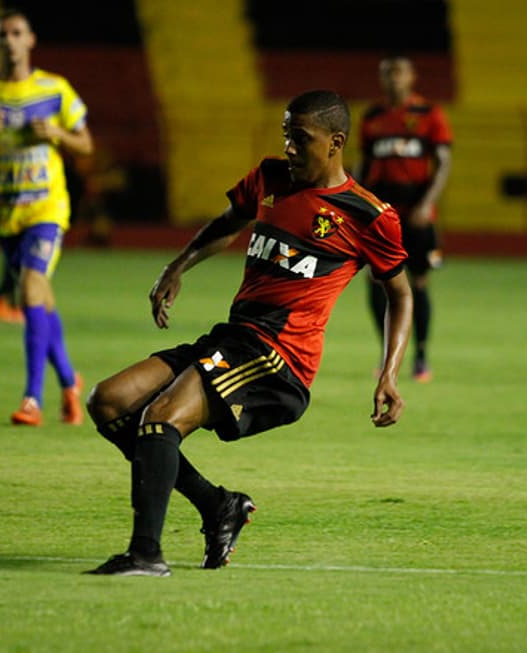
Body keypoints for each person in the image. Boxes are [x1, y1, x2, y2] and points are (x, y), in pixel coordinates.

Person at [85, 90, 413, 577]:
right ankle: (219, 506)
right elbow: (228, 222)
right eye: (286, 136)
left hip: (280, 359)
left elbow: (401, 294)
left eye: (301, 138)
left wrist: (389, 373)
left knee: (161, 417)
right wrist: (179, 266)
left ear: (335, 142)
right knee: (108, 401)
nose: (290, 148)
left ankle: (146, 555)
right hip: (234, 338)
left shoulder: (369, 216)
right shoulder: (271, 178)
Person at [0, 8, 92, 426]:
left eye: (17, 33)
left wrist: (58, 135)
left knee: (31, 290)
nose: (10, 40)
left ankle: (33, 398)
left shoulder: (54, 89)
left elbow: (85, 144)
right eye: (2, 34)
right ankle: (69, 381)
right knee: (40, 300)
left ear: (30, 40)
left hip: (47, 209)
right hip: (6, 217)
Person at [355, 55, 453, 383]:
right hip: (381, 216)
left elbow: (443, 163)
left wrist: (428, 203)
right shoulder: (372, 117)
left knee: (419, 283)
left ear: (412, 77)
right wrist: (355, 203)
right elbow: (363, 167)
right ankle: (387, 354)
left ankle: (421, 356)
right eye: (386, 74)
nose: (392, 79)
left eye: (398, 73)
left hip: (416, 217)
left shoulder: (429, 115)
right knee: (374, 282)